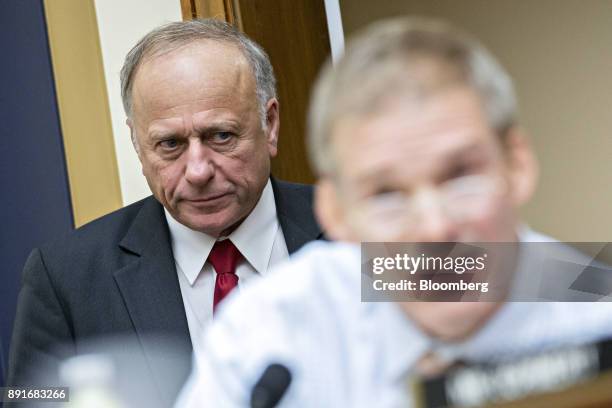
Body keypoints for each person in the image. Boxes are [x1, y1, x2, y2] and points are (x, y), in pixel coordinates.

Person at [176, 17, 612, 407]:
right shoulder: (268, 338)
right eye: (386, 194)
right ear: (336, 212)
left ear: (517, 164)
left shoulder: (597, 315)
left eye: (459, 176)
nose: (435, 227)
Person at [7, 19, 322, 404]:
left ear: (269, 124)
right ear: (138, 145)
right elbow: (27, 396)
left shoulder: (369, 236)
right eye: (170, 144)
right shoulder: (64, 278)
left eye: (221, 136)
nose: (198, 171)